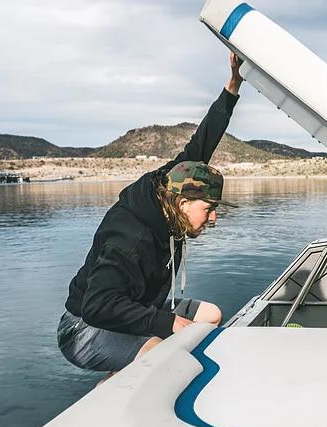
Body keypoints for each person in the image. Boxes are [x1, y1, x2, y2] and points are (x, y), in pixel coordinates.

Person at [58, 53, 243, 378]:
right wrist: (167, 323)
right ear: (183, 203)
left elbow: (201, 143)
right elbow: (97, 305)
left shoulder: (172, 182)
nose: (213, 218)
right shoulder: (130, 239)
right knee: (161, 353)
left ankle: (128, 371)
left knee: (211, 316)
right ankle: (115, 392)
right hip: (83, 328)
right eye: (209, 209)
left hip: (140, 308)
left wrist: (233, 85)